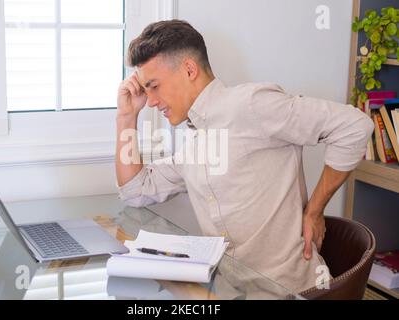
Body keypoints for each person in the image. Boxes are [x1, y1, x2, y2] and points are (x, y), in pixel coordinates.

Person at [115, 19, 374, 293]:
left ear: (189, 69)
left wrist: (315, 209)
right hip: (231, 292)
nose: (152, 102)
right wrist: (127, 115)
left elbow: (354, 127)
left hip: (289, 291)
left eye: (154, 86)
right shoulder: (194, 142)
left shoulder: (251, 105)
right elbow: (135, 190)